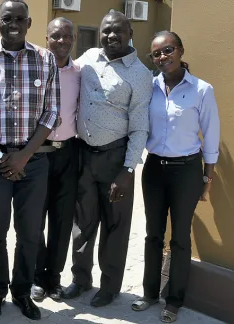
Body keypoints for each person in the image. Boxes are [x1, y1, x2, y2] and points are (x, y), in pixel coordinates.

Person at [0, 0, 60, 320]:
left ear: (30, 23)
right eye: (8, 19)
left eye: (20, 18)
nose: (14, 23)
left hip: (33, 162)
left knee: (30, 232)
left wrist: (24, 156)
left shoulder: (46, 59)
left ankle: (22, 292)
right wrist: (3, 156)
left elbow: (51, 113)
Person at [63, 11, 153, 308]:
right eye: (106, 31)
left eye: (118, 31)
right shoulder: (88, 57)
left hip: (116, 159)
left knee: (115, 226)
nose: (111, 36)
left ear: (130, 33)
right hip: (83, 155)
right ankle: (80, 279)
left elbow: (140, 126)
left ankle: (110, 286)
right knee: (83, 222)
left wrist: (128, 170)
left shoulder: (140, 74)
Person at [131, 31, 220, 323]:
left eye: (167, 50)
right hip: (154, 168)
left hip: (186, 171)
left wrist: (208, 177)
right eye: (156, 53)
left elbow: (211, 134)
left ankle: (174, 300)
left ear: (180, 50)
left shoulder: (201, 90)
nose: (162, 57)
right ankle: (149, 293)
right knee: (153, 234)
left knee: (180, 237)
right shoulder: (149, 87)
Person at [31, 17, 80, 302]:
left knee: (62, 220)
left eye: (67, 36)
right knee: (35, 217)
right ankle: (37, 278)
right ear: (46, 38)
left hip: (68, 153)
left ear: (73, 39)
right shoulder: (35, 67)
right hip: (39, 151)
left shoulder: (81, 72)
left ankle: (54, 279)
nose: (62, 41)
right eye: (56, 36)